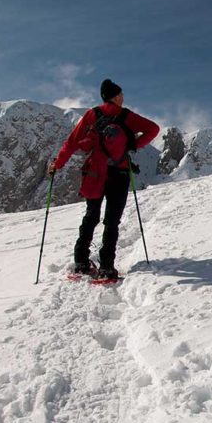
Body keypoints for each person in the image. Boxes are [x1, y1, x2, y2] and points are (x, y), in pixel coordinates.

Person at [48, 79, 159, 279]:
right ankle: (107, 266)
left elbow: (71, 143)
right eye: (121, 95)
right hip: (120, 172)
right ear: (115, 96)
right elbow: (153, 129)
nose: (123, 98)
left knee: (91, 216)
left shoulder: (92, 115)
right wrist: (132, 145)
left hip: (94, 173)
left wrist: (57, 164)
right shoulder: (126, 116)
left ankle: (81, 262)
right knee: (112, 221)